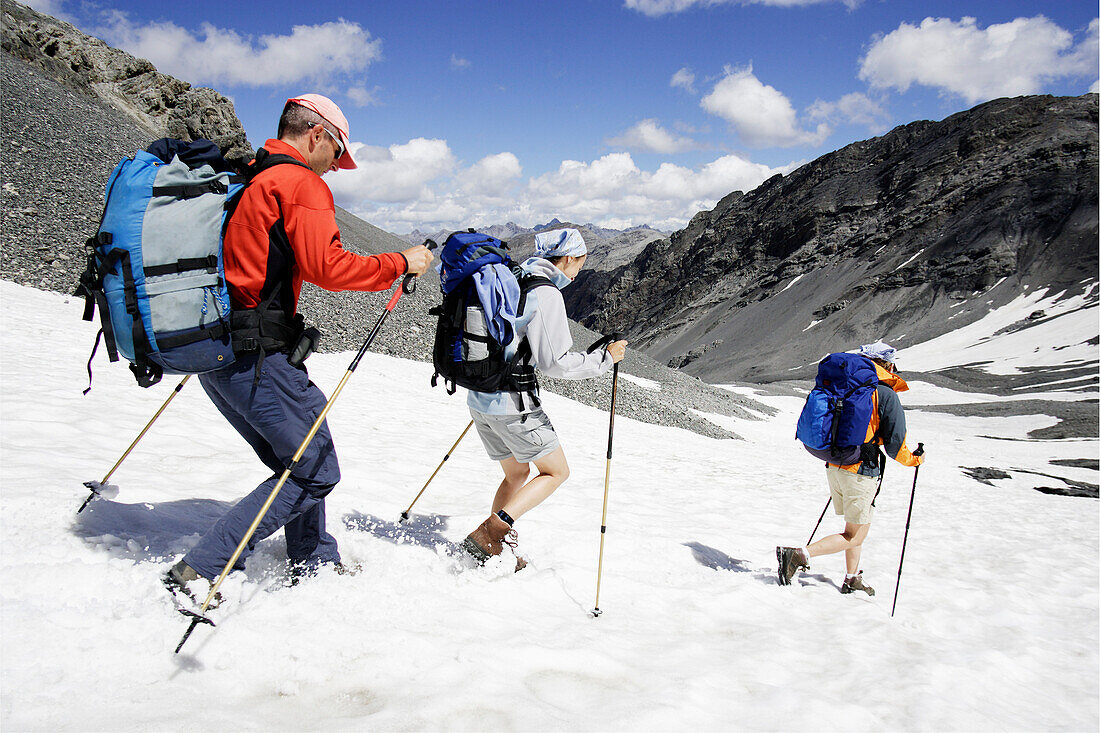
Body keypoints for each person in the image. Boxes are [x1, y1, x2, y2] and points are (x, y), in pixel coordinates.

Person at [164, 94, 433, 594]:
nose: (335, 168)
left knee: (299, 461)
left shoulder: (250, 174)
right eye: (337, 154)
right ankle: (203, 567)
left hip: (218, 353)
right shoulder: (298, 183)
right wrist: (400, 262)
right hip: (258, 357)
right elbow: (328, 268)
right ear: (317, 135)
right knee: (315, 469)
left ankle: (314, 561)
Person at [461, 228, 627, 569]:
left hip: (480, 397)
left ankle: (492, 547)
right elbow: (555, 363)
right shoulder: (546, 293)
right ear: (567, 258)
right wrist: (605, 359)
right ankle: (492, 532)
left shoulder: (513, 277)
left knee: (516, 473)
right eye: (580, 262)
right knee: (556, 471)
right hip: (513, 403)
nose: (579, 271)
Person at [777, 342, 924, 595]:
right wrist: (915, 459)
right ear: (888, 365)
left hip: (836, 464)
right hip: (861, 470)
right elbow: (895, 447)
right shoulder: (885, 394)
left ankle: (851, 578)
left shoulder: (843, 385)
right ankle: (799, 555)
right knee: (855, 535)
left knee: (854, 529)